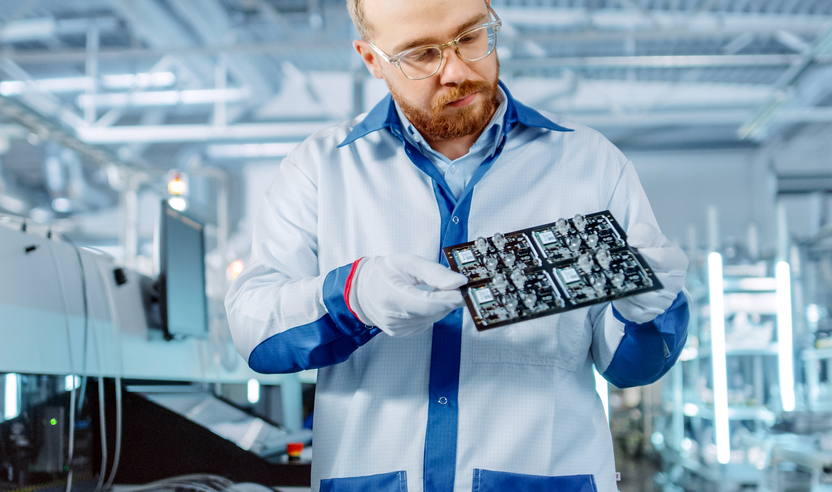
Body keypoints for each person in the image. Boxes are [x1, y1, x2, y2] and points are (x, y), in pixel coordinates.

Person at [225, 0, 690, 489]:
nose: (457, 71)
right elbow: (253, 331)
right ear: (371, 60)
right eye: (422, 54)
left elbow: (627, 367)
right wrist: (353, 297)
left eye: (471, 37)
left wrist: (646, 314)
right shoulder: (320, 171)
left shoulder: (591, 164)